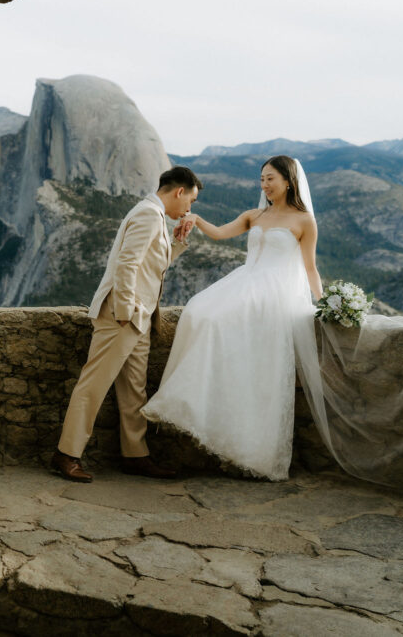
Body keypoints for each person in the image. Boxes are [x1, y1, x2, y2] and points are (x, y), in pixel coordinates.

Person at [140, 155, 321, 480]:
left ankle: (251, 448)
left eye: (270, 179)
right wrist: (195, 219)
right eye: (262, 179)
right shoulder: (255, 214)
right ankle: (191, 400)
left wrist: (324, 303)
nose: (264, 184)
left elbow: (310, 268)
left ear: (289, 181)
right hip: (246, 281)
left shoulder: (305, 221)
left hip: (273, 293)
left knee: (222, 329)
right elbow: (222, 233)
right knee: (198, 311)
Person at [51, 167, 201, 483]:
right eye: (191, 200)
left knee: (134, 389)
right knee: (93, 385)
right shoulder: (148, 214)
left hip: (139, 318)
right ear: (179, 191)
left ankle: (136, 456)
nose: (189, 209)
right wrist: (125, 312)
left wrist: (178, 244)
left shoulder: (156, 216)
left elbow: (150, 267)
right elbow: (127, 264)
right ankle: (66, 454)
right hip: (124, 317)